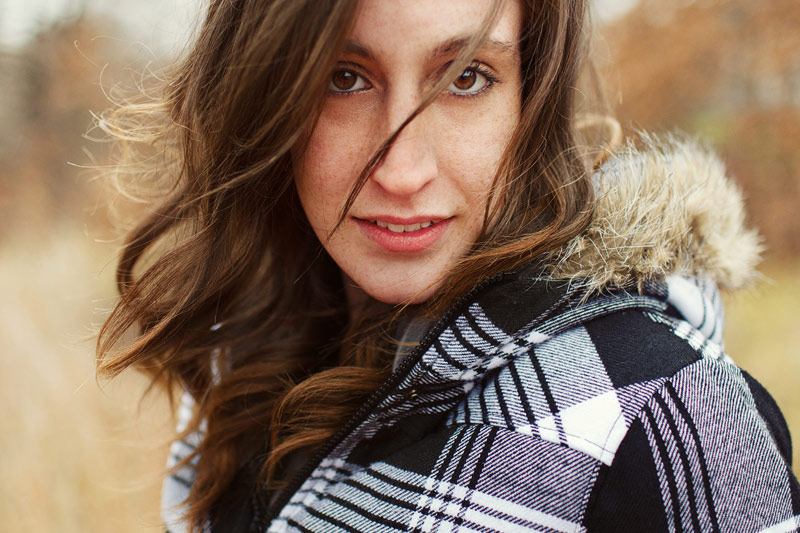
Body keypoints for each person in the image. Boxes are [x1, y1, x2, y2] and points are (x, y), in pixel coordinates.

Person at [96, 0, 800, 531]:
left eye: (466, 77)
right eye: (345, 78)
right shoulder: (242, 353)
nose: (402, 171)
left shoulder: (663, 411)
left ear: (531, 99)